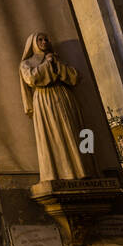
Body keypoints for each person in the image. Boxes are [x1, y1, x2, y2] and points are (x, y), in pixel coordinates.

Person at [19, 31, 91, 182]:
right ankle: (59, 173)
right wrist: (47, 64)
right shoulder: (27, 63)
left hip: (65, 96)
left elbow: (75, 77)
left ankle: (82, 170)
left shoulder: (57, 59)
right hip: (45, 100)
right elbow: (31, 79)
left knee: (73, 131)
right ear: (33, 43)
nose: (44, 42)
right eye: (40, 39)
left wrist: (56, 64)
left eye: (46, 39)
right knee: (54, 135)